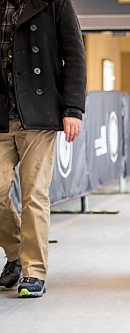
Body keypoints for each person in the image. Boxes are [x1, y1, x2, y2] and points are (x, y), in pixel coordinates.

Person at [0, 0, 86, 298]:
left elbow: (75, 55)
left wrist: (73, 109)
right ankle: (15, 254)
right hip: (2, 115)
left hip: (39, 113)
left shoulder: (54, 3)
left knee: (34, 193)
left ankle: (33, 271)